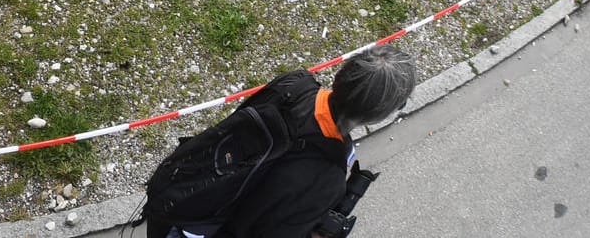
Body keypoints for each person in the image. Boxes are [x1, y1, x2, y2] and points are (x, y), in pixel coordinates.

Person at [142, 47, 417, 238]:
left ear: (342, 74)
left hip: (181, 197)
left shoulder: (295, 85)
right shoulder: (326, 180)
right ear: (379, 115)